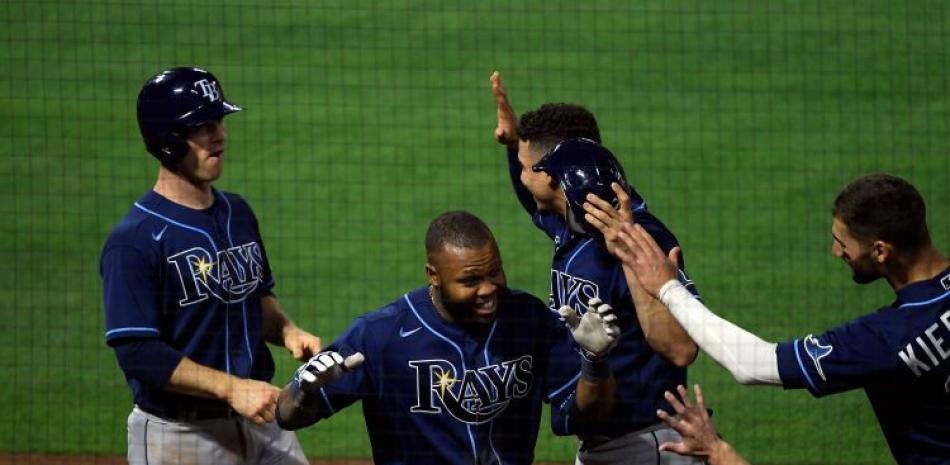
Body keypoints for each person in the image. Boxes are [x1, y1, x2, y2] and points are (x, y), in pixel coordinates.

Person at [594, 173, 950, 464]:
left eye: (843, 243)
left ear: (880, 251)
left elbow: (755, 364)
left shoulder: (886, 338)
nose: (836, 251)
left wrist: (669, 288)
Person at [100, 67, 322, 465]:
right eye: (202, 126)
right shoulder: (134, 241)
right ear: (168, 141)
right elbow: (138, 351)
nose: (218, 135)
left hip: (260, 418)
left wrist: (288, 330)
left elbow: (253, 297)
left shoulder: (238, 213)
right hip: (181, 436)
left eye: (218, 121)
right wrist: (232, 388)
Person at [275, 211, 621, 465]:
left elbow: (589, 415)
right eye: (470, 281)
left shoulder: (528, 320)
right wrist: (305, 391)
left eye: (495, 272)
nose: (488, 290)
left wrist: (595, 362)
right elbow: (287, 416)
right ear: (433, 276)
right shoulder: (383, 336)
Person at [490, 71, 702, 464]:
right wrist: (513, 142)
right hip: (608, 443)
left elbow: (681, 349)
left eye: (524, 166)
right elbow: (532, 194)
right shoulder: (573, 216)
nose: (520, 176)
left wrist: (628, 252)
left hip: (649, 445)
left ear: (553, 176)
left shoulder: (641, 236)